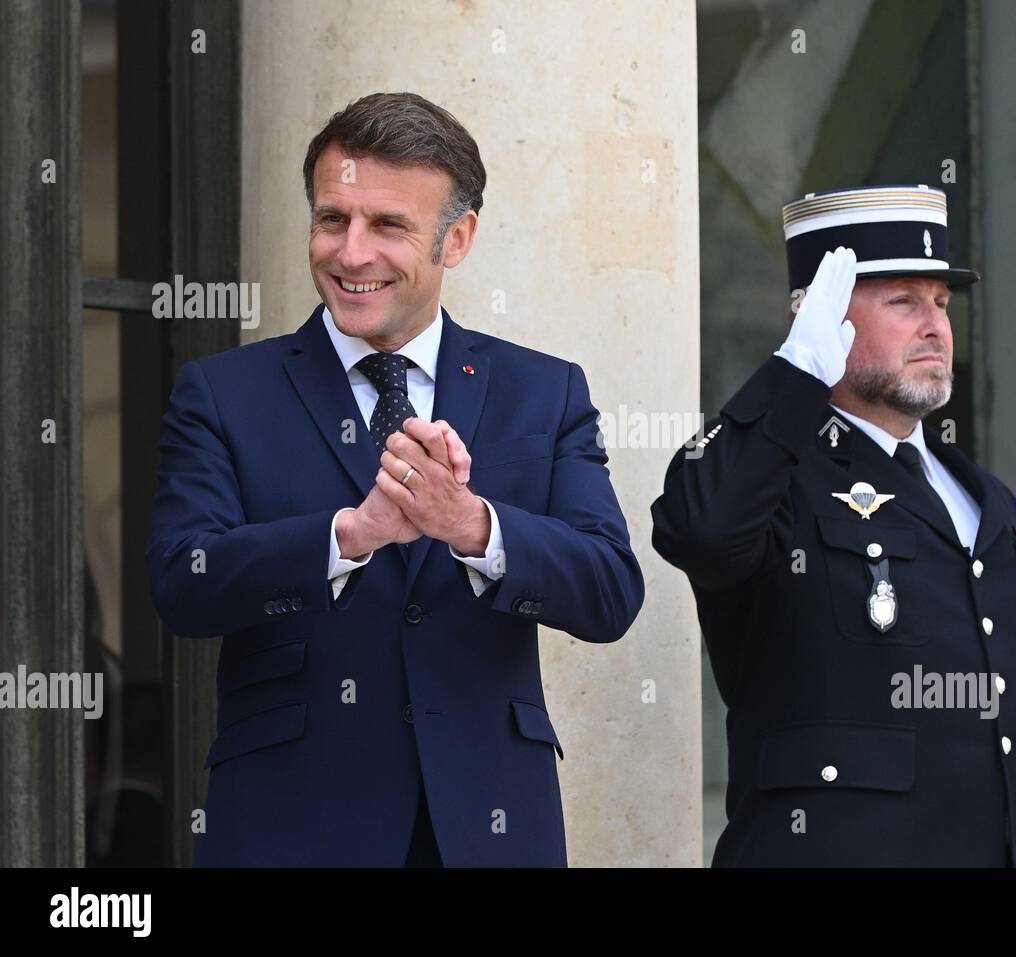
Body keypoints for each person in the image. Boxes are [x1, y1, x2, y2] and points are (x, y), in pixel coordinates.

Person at [148, 92, 644, 866]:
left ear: (458, 238)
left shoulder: (544, 391)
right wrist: (350, 536)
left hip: (490, 826)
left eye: (387, 225)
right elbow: (183, 581)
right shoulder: (223, 392)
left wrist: (476, 527)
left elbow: (610, 590)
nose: (350, 253)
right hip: (291, 826)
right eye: (331, 218)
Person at [651, 185, 1016, 866]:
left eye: (942, 302)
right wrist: (794, 374)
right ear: (824, 319)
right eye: (904, 302)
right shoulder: (777, 476)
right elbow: (699, 527)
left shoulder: (985, 497)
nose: (935, 325)